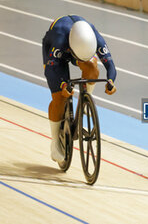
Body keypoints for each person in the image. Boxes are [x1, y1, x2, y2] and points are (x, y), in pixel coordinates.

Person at [42, 15, 117, 164]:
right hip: (54, 52)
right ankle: (55, 141)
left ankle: (85, 99)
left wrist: (111, 81)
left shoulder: (95, 37)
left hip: (78, 50)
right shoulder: (59, 38)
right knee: (60, 98)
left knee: (91, 66)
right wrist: (63, 85)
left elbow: (110, 66)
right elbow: (52, 68)